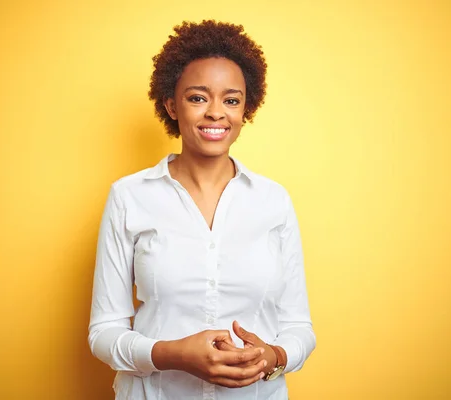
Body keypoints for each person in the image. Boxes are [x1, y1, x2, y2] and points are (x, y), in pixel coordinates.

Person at [88, 20, 316, 399]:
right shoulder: (129, 197)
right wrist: (172, 354)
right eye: (198, 98)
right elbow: (104, 332)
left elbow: (299, 327)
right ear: (171, 105)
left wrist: (272, 355)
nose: (215, 113)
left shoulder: (274, 201)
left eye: (231, 100)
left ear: (246, 109)